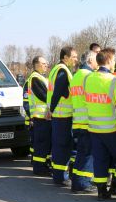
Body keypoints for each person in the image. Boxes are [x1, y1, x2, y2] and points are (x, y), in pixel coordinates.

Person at [84, 49, 116, 201]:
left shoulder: (88, 78)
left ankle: (101, 191)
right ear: (110, 61)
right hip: (112, 128)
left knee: (100, 160)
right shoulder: (114, 80)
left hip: (93, 127)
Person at [47, 46, 79, 186]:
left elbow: (62, 90)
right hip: (62, 115)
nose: (76, 59)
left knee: (61, 146)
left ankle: (59, 175)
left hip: (59, 115)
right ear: (65, 57)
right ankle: (60, 177)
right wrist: (52, 110)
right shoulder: (62, 70)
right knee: (62, 147)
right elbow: (58, 90)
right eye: (74, 57)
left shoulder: (56, 69)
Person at [69, 50, 98, 193]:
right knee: (87, 155)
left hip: (78, 121)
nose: (97, 62)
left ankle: (77, 182)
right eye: (95, 59)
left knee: (81, 153)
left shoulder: (76, 76)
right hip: (87, 122)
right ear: (90, 61)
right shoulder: (89, 76)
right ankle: (83, 183)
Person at [26, 56, 51, 176]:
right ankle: (39, 169)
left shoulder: (41, 77)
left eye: (46, 63)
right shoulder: (35, 78)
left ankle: (42, 166)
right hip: (41, 117)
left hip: (43, 116)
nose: (46, 65)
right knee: (41, 145)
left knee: (43, 144)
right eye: (44, 63)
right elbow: (45, 96)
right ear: (36, 64)